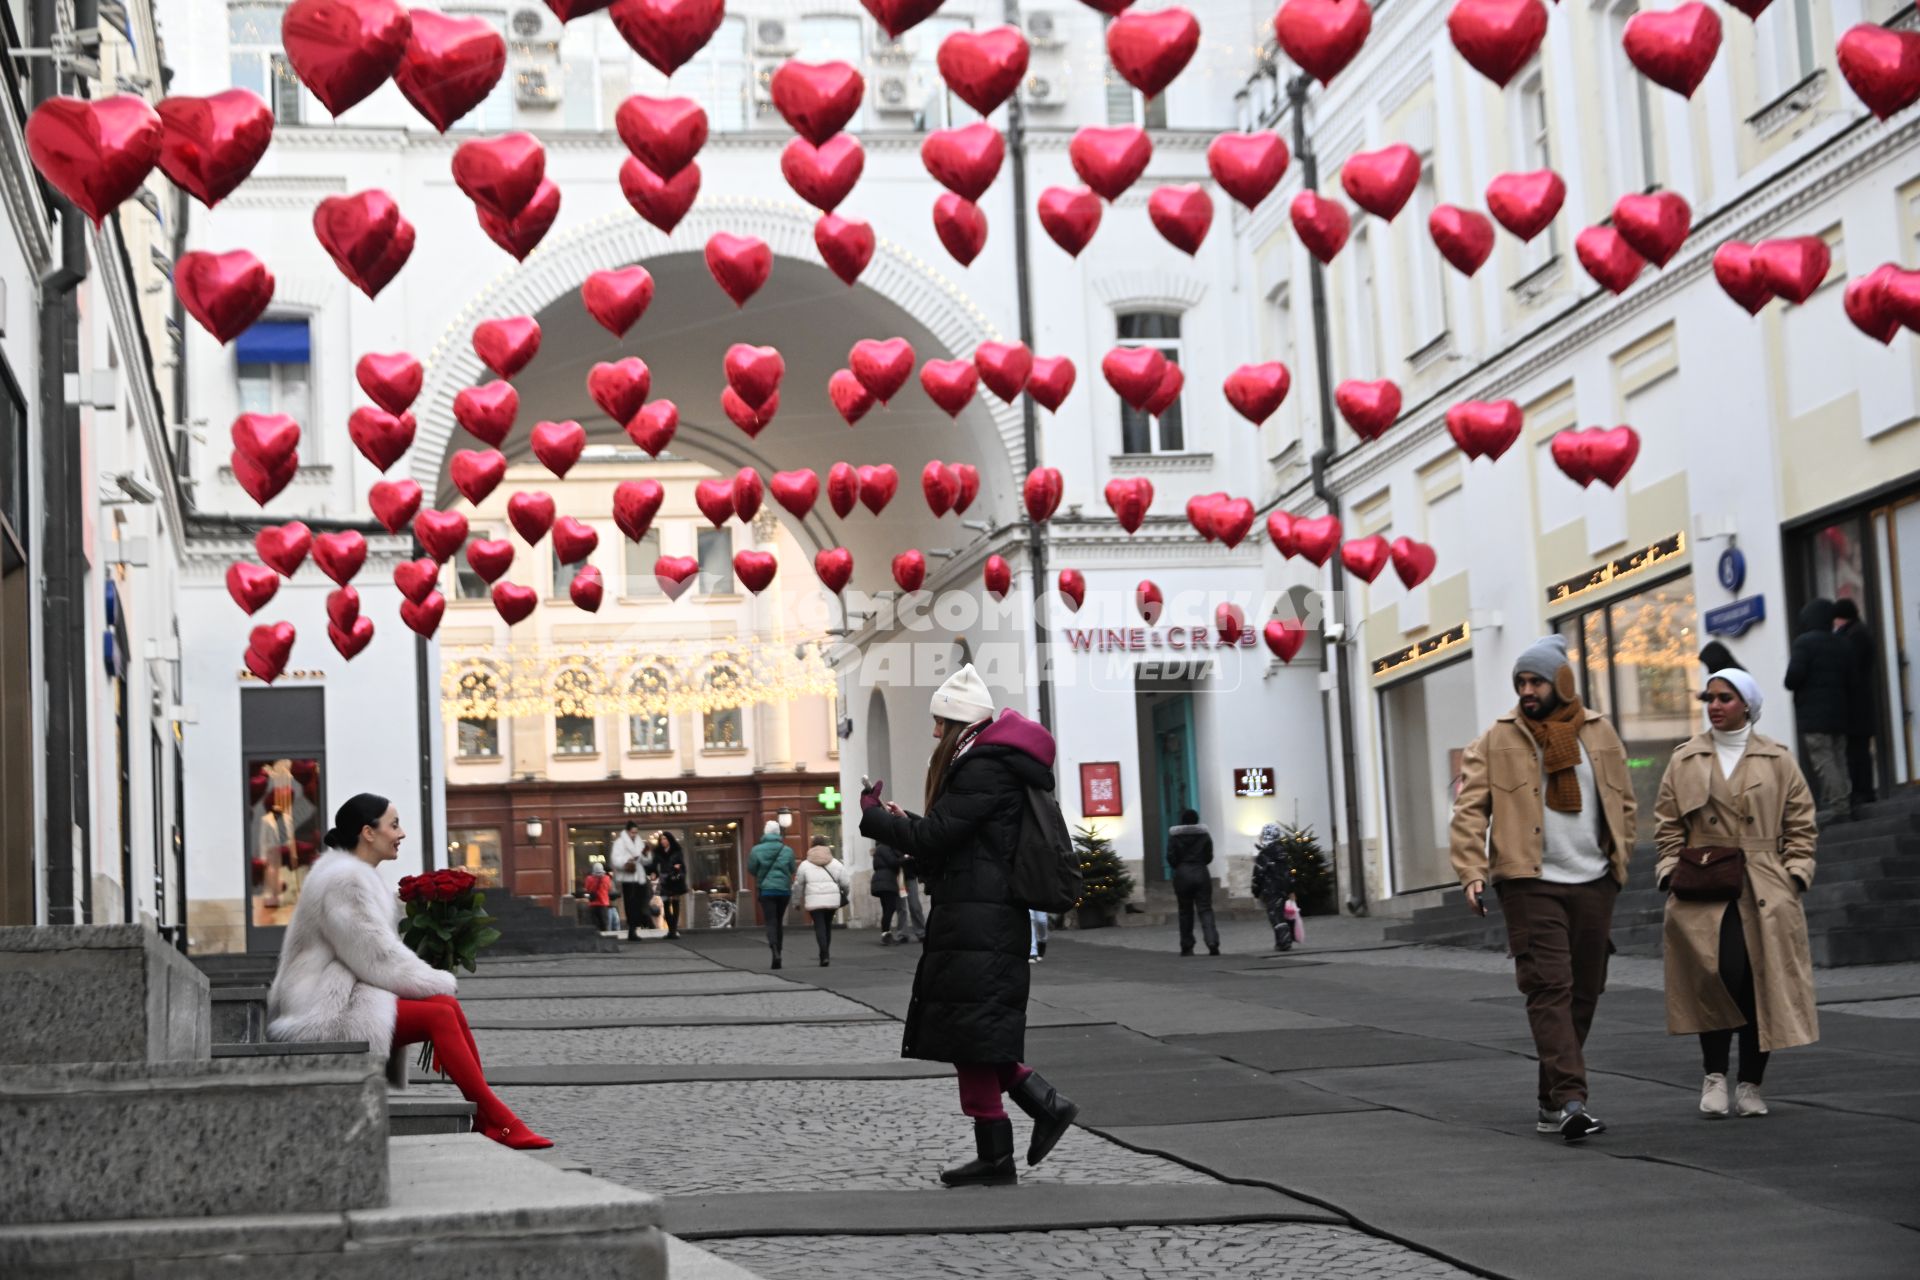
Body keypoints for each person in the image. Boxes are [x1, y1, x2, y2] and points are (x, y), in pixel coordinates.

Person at [857, 663, 1080, 1188]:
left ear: (958, 722)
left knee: (970, 1034)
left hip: (981, 915)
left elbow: (936, 837)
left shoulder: (982, 767)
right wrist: (906, 819)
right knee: (972, 1029)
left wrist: (875, 816)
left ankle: (999, 1153)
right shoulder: (987, 763)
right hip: (977, 910)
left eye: (939, 722)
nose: (934, 732)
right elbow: (952, 834)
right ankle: (1042, 1109)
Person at [266, 793, 551, 1150]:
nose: (401, 833)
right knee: (440, 1013)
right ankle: (497, 1119)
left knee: (445, 1008)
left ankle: (487, 1115)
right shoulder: (344, 881)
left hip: (353, 993)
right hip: (325, 1009)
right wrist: (436, 979)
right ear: (368, 833)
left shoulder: (356, 875)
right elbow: (375, 956)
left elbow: (373, 955)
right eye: (394, 824)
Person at [1448, 635, 1636, 1143]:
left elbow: (1624, 802)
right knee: (1549, 987)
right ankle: (1574, 1101)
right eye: (1521, 682)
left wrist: (1619, 864)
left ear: (1562, 682)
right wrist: (1472, 872)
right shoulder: (1495, 740)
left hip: (1594, 880)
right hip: (1530, 883)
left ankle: (1549, 1099)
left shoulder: (1599, 733)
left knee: (1584, 993)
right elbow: (1469, 815)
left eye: (1536, 681)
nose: (1527, 690)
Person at [1655, 669, 1819, 1119]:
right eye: (1709, 697)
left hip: (1765, 883)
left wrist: (1796, 874)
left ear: (1746, 704)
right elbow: (1668, 824)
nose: (1714, 705)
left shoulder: (1778, 760)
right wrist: (1671, 868)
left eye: (1724, 698)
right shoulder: (1685, 758)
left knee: (1758, 983)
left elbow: (1801, 823)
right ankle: (1713, 1075)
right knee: (1716, 975)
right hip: (1704, 885)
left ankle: (1750, 1084)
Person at [1784, 598, 1856, 821]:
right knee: (1839, 757)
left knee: (1824, 760)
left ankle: (1840, 807)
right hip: (1840, 712)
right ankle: (1846, 800)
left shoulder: (1803, 643)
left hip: (1814, 715)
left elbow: (1792, 679)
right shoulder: (1842, 642)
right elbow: (1851, 680)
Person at [1831, 598, 1878, 805]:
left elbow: (1849, 668)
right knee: (1857, 750)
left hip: (1855, 705)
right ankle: (1862, 790)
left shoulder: (1853, 636)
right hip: (1858, 704)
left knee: (1856, 751)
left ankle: (1863, 792)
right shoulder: (1858, 632)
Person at [1166, 809, 1220, 957]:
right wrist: (1200, 863)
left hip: (1182, 874)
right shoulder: (1204, 835)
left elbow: (1171, 857)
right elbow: (1209, 856)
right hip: (1201, 873)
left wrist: (1180, 867)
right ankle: (1212, 941)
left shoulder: (1174, 837)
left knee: (1185, 911)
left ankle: (1187, 946)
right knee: (1206, 909)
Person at [792, 833, 851, 966]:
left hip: (814, 902)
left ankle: (823, 954)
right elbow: (846, 883)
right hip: (832, 900)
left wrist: (796, 901)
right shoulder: (835, 863)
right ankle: (826, 953)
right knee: (827, 926)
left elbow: (798, 885)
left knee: (819, 926)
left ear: (812, 846)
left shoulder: (805, 865)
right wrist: (845, 894)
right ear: (826, 846)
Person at [747, 820, 796, 969]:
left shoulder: (756, 850)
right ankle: (779, 951)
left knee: (771, 922)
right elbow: (792, 868)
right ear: (778, 833)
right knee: (779, 922)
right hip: (783, 890)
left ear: (765, 833)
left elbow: (751, 869)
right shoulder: (787, 850)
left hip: (766, 890)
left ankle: (774, 950)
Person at [1251, 822, 1297, 953]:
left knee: (1275, 916)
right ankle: (1282, 941)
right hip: (1282, 888)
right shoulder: (1283, 853)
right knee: (1281, 914)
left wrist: (1255, 890)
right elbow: (1290, 873)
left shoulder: (1264, 855)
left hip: (1270, 889)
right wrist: (1291, 889)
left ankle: (1284, 942)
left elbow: (1258, 875)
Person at [611, 820, 651, 942]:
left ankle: (635, 928)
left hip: (639, 878)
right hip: (628, 878)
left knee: (639, 904)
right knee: (630, 904)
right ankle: (632, 930)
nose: (634, 834)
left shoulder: (639, 842)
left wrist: (645, 855)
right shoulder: (619, 843)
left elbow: (646, 861)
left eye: (636, 832)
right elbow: (616, 859)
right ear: (628, 831)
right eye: (633, 832)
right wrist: (628, 861)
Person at [870, 841, 909, 944]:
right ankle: (886, 934)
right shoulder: (884, 847)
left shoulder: (880, 848)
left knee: (887, 909)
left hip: (882, 881)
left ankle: (886, 934)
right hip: (886, 881)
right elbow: (893, 862)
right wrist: (905, 858)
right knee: (890, 908)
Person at [653, 830, 688, 938]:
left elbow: (681, 866)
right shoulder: (658, 852)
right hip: (664, 880)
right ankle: (671, 930)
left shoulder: (677, 851)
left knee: (676, 904)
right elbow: (654, 865)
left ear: (670, 839)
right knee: (666, 904)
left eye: (665, 839)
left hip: (675, 880)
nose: (663, 841)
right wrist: (653, 873)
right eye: (661, 839)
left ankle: (674, 930)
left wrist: (676, 869)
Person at [899, 845, 928, 941]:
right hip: (899, 877)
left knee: (914, 905)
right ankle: (902, 934)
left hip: (910, 876)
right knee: (901, 907)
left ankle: (921, 932)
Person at [583, 858, 617, 933]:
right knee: (604, 924)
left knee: (594, 924)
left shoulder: (589, 879)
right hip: (603, 904)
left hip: (592, 904)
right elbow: (609, 888)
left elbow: (587, 889)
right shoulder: (606, 878)